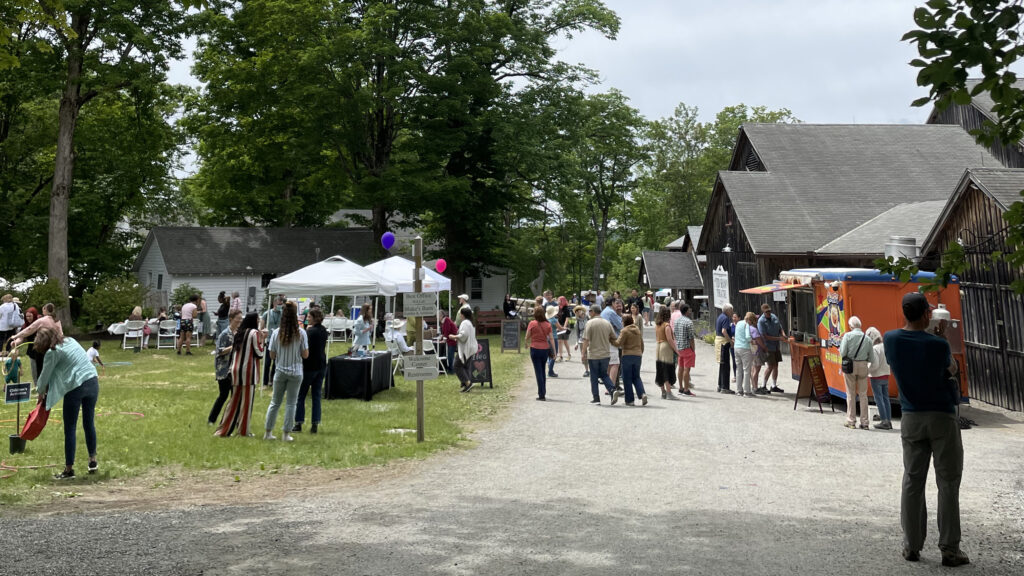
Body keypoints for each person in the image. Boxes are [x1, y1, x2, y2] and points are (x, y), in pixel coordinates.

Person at [884, 292, 969, 567]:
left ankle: (911, 545)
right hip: (942, 416)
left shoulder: (891, 339)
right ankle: (950, 548)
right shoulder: (938, 345)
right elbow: (951, 369)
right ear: (925, 314)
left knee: (912, 480)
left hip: (911, 415)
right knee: (947, 482)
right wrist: (940, 337)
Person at [33, 326, 99, 478]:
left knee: (70, 427)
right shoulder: (71, 340)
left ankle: (69, 470)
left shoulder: (53, 352)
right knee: (89, 423)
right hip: (92, 382)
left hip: (75, 387)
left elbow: (45, 375)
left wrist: (40, 392)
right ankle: (92, 460)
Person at [214, 312, 264, 437]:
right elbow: (260, 353)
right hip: (248, 371)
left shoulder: (238, 332)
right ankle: (243, 431)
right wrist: (263, 340)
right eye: (258, 319)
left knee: (234, 401)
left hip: (235, 370)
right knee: (246, 402)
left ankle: (223, 429)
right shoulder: (254, 333)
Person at [264, 301, 308, 441]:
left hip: (280, 370)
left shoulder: (276, 333)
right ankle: (286, 434)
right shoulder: (301, 333)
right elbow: (305, 354)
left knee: (275, 402)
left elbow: (271, 355)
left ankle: (268, 433)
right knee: (291, 403)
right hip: (296, 372)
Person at [839, 315, 876, 430]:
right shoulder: (867, 339)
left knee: (850, 394)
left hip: (850, 366)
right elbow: (872, 358)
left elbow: (842, 353)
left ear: (851, 326)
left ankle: (851, 421)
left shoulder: (848, 336)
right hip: (863, 366)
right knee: (863, 394)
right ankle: (865, 422)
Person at [294, 308, 327, 434]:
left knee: (301, 395)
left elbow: (303, 348)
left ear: (315, 318)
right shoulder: (323, 330)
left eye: (309, 317)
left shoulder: (309, 332)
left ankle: (298, 423)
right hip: (321, 365)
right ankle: (315, 424)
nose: (307, 318)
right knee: (316, 396)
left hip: (309, 367)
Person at [209, 310, 242, 425]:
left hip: (235, 369)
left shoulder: (239, 333)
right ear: (231, 319)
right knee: (223, 395)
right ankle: (212, 420)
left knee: (236, 396)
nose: (240, 320)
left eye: (241, 318)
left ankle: (234, 421)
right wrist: (233, 347)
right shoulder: (224, 334)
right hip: (223, 369)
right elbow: (219, 351)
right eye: (238, 318)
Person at [581, 305, 619, 404]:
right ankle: (612, 389)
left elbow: (586, 340)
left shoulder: (590, 323)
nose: (589, 313)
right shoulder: (607, 323)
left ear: (593, 312)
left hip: (593, 354)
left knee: (593, 376)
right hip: (605, 353)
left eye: (590, 311)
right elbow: (613, 337)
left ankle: (596, 398)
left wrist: (583, 353)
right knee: (604, 374)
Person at [612, 314, 647, 406]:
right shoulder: (637, 330)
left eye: (622, 321)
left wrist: (610, 339)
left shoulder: (624, 331)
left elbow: (618, 343)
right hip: (638, 356)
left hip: (627, 356)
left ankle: (630, 400)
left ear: (625, 322)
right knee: (636, 377)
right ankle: (642, 394)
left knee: (627, 378)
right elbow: (642, 344)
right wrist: (640, 353)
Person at [865, 327, 893, 430]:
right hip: (886, 374)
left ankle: (884, 421)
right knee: (886, 398)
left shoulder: (875, 349)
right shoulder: (885, 346)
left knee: (878, 398)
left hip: (876, 376)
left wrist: (868, 370)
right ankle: (888, 420)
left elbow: (874, 364)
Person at [526, 306, 555, 401]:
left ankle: (541, 394)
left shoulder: (532, 323)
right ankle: (543, 391)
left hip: (535, 348)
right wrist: (554, 351)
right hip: (545, 349)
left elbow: (527, 336)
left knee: (538, 371)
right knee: (543, 370)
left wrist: (526, 342)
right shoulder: (548, 324)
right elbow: (551, 338)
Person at [757, 304, 788, 393]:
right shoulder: (761, 321)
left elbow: (780, 327)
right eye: (767, 312)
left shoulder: (774, 316)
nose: (769, 313)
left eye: (769, 311)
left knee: (776, 365)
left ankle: (773, 385)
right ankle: (763, 385)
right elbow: (765, 336)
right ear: (763, 312)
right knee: (770, 366)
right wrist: (779, 338)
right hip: (768, 346)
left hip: (776, 345)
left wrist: (783, 334)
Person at [671, 304, 696, 396]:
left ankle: (681, 387)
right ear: (686, 311)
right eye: (689, 310)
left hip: (679, 347)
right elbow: (691, 338)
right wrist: (693, 348)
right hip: (687, 347)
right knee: (687, 369)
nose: (690, 312)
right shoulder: (689, 322)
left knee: (680, 368)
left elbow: (674, 333)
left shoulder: (677, 321)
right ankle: (686, 389)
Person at [450, 308, 478, 392]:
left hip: (466, 348)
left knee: (457, 365)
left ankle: (468, 383)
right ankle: (466, 385)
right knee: (465, 366)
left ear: (463, 315)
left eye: (460, 314)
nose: (459, 315)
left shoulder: (465, 323)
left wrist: (453, 337)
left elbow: (463, 335)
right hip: (471, 347)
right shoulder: (471, 322)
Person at [654, 307, 677, 399]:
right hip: (665, 347)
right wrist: (676, 350)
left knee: (660, 368)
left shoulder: (657, 325)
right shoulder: (666, 325)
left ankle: (663, 391)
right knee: (667, 369)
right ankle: (669, 392)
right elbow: (670, 340)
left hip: (658, 346)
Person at [261, 296, 284, 384]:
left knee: (276, 362)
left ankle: (273, 380)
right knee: (267, 362)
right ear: (274, 303)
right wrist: (263, 336)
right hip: (269, 340)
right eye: (278, 304)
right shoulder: (267, 313)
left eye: (281, 304)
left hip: (279, 340)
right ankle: (265, 381)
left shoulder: (283, 313)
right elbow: (261, 327)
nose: (280, 306)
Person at [734, 312, 756, 397]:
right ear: (750, 320)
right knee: (747, 370)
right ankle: (747, 391)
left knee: (738, 369)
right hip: (745, 348)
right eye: (752, 322)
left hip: (737, 347)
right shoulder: (746, 324)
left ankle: (739, 390)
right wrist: (752, 341)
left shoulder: (739, 323)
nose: (752, 324)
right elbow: (747, 337)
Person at [715, 304, 736, 394]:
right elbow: (724, 331)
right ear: (728, 310)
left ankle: (720, 385)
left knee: (722, 365)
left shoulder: (720, 316)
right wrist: (730, 341)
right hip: (723, 342)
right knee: (726, 366)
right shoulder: (726, 318)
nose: (732, 312)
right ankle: (725, 387)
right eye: (731, 310)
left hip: (719, 342)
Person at [572, 305, 589, 377]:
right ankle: (587, 370)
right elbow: (577, 334)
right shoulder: (577, 322)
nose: (578, 312)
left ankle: (594, 370)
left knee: (592, 354)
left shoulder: (588, 318)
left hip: (590, 338)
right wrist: (576, 343)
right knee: (584, 356)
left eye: (579, 310)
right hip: (582, 340)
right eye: (576, 311)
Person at [544, 305, 560, 378]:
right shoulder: (554, 320)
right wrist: (565, 328)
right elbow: (560, 328)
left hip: (547, 337)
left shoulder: (546, 320)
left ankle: (551, 368)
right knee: (554, 353)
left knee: (549, 354)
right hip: (554, 338)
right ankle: (550, 371)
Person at [556, 296, 572, 361]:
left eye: (559, 300)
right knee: (559, 341)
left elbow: (567, 318)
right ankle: (560, 356)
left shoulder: (566, 308)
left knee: (565, 341)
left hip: (565, 326)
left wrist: (564, 327)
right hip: (559, 326)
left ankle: (569, 355)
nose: (558, 301)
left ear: (562, 301)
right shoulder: (558, 308)